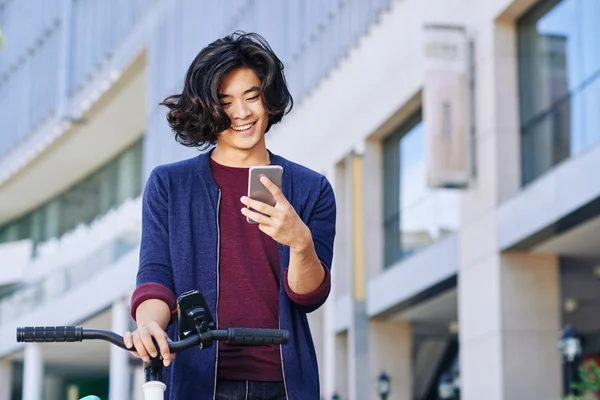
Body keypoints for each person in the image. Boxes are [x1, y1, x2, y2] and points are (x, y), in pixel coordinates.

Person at [123, 31, 336, 400]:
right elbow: (156, 277)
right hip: (196, 382)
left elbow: (308, 298)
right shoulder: (170, 185)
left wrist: (300, 243)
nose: (241, 113)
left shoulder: (310, 189)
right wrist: (148, 326)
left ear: (268, 100)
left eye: (251, 97)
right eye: (225, 102)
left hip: (284, 385)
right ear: (207, 108)